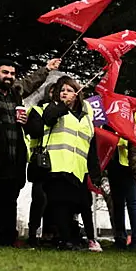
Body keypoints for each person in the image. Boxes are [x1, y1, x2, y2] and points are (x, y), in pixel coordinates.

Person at [0, 58, 55, 248]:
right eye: (5, 72)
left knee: (9, 198)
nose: (9, 77)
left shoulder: (16, 96)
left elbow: (25, 123)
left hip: (15, 156)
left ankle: (8, 236)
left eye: (12, 74)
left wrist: (25, 121)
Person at [27, 75, 100, 251]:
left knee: (79, 204)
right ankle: (65, 240)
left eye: (69, 90)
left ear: (77, 93)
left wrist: (95, 171)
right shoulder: (49, 108)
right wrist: (61, 105)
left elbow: (90, 145)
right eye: (62, 90)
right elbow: (48, 119)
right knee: (60, 203)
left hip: (78, 168)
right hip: (56, 165)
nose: (65, 93)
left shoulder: (85, 117)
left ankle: (77, 239)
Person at [107, 109, 136, 250]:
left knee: (132, 203)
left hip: (129, 165)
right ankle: (120, 238)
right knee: (117, 204)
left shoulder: (133, 118)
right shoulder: (109, 120)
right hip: (113, 165)